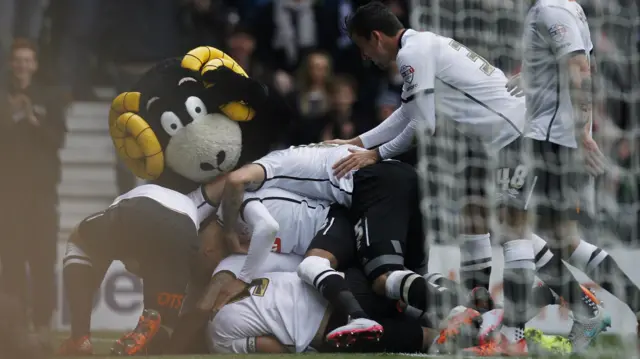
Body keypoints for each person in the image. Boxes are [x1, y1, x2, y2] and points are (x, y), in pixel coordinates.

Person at [325, 1, 609, 355]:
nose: (364, 57)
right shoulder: (421, 46)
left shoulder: (413, 53)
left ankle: (514, 338)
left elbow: (423, 125)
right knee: (474, 218)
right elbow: (408, 113)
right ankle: (545, 310)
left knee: (512, 230)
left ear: (376, 37)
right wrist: (359, 142)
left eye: (362, 46)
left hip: (516, 134)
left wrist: (375, 154)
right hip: (501, 137)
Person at [519, 0, 615, 353]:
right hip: (555, 138)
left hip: (552, 140)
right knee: (563, 241)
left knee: (511, 225)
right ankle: (621, 306)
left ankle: (568, 309)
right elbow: (557, 70)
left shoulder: (551, 9)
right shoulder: (562, 7)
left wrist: (583, 133)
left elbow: (579, 68)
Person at [57, 184, 208, 356]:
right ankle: (145, 337)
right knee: (164, 323)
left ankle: (79, 337)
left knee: (78, 242)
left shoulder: (133, 207)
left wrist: (88, 286)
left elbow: (88, 240)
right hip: (184, 233)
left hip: (141, 209)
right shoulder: (192, 216)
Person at [0, 39, 67, 351]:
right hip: (9, 194)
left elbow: (57, 140)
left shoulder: (50, 97)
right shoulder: (2, 96)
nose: (22, 65)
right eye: (17, 60)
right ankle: (16, 325)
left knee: (42, 261)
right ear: (11, 63)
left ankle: (42, 325)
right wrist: (10, 116)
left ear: (35, 64)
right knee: (11, 261)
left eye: (27, 60)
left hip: (42, 193)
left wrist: (32, 119)